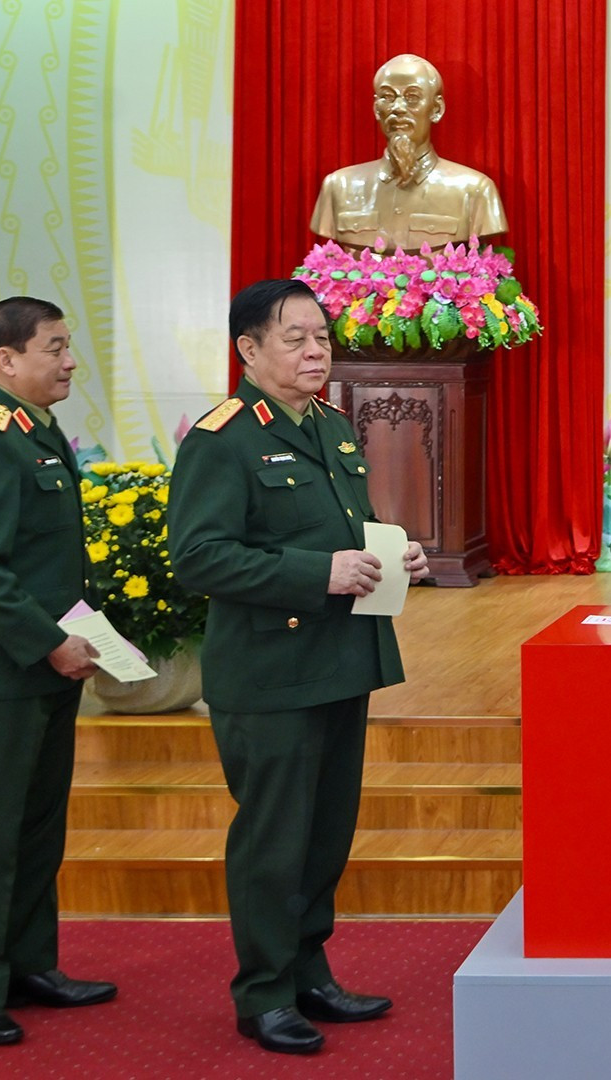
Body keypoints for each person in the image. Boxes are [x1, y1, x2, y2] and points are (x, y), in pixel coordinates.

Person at [170, 279, 429, 1055]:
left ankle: (310, 971)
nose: (316, 351)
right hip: (270, 672)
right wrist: (318, 572)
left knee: (324, 833)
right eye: (296, 339)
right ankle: (263, 993)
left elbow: (349, 526)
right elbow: (200, 556)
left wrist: (393, 550)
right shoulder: (222, 439)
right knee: (274, 839)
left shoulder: (331, 425)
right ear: (249, 350)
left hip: (339, 661)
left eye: (322, 337)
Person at [0, 296, 116, 1046]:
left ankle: (28, 965)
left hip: (45, 666)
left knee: (37, 831)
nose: (70, 361)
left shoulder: (34, 432)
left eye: (69, 346)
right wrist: (47, 641)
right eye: (55, 347)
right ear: (6, 361)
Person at [309, 53, 507, 252]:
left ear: (436, 109)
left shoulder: (475, 190)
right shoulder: (338, 186)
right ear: (377, 108)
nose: (398, 108)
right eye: (388, 97)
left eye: (412, 97)